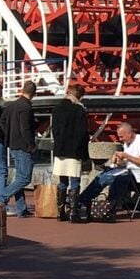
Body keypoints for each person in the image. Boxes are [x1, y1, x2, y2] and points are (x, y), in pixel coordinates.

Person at [78, 121, 140, 220]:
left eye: (122, 136)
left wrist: (126, 155)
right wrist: (119, 162)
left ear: (130, 133)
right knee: (103, 175)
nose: (120, 139)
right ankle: (84, 200)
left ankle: (110, 208)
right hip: (130, 172)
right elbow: (128, 163)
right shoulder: (127, 143)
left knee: (118, 178)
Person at [0, 80, 37, 217]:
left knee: (19, 177)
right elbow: (25, 128)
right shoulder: (26, 108)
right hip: (23, 146)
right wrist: (31, 145)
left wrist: (9, 133)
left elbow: (2, 121)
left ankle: (21, 208)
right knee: (25, 178)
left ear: (22, 90)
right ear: (34, 93)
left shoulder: (12, 105)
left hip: (13, 144)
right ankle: (2, 196)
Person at [51, 84, 89, 222]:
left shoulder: (57, 109)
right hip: (74, 150)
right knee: (74, 182)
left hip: (60, 149)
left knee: (62, 182)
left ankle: (60, 212)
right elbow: (83, 133)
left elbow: (54, 130)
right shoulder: (79, 110)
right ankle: (73, 212)